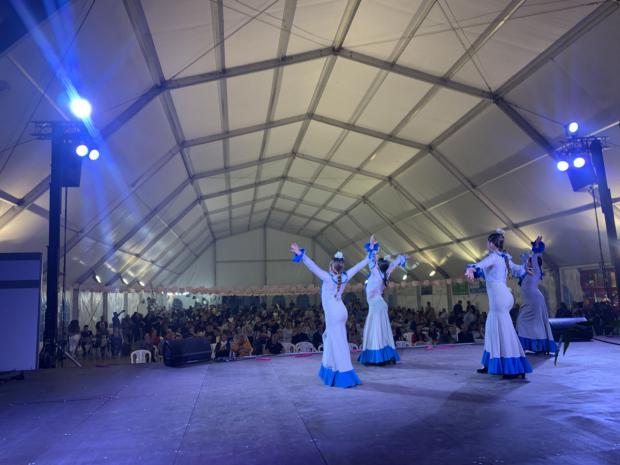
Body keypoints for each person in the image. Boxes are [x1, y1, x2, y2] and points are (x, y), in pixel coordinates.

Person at [291, 235, 375, 388]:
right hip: (341, 311)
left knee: (338, 344)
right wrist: (369, 254)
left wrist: (301, 255)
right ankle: (328, 369)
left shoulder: (327, 277)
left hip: (334, 314)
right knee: (329, 341)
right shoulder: (345, 276)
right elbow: (358, 266)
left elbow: (313, 266)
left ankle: (344, 374)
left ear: (331, 266)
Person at [465, 229, 534, 379]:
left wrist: (471, 268)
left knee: (503, 331)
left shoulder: (495, 257)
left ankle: (513, 368)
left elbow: (481, 264)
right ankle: (490, 363)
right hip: (504, 296)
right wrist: (525, 267)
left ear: (491, 244)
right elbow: (518, 269)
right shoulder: (504, 258)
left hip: (498, 298)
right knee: (491, 330)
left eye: (487, 243)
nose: (486, 245)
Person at [358, 249, 406, 365]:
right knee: (383, 329)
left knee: (376, 330)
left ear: (378, 266)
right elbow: (393, 266)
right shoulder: (385, 274)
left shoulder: (376, 273)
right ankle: (386, 355)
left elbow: (371, 263)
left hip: (375, 305)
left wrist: (372, 250)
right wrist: (401, 258)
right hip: (380, 304)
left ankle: (377, 357)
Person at [516, 237, 558, 354]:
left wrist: (536, 247)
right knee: (527, 322)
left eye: (530, 261)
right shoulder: (527, 272)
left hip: (535, 301)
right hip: (529, 301)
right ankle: (532, 346)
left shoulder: (536, 272)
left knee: (531, 323)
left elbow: (535, 258)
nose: (529, 261)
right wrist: (525, 261)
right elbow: (522, 268)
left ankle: (538, 346)